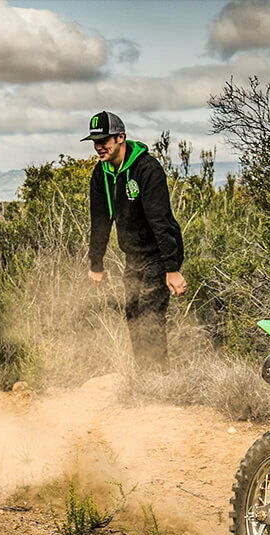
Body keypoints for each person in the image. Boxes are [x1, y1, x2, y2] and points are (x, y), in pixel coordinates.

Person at [83, 111, 186, 371]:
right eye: (95, 141)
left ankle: (159, 379)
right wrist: (96, 263)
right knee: (133, 314)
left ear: (120, 137)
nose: (99, 146)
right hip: (133, 257)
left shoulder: (147, 169)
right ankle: (145, 376)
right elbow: (100, 221)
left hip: (158, 255)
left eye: (104, 140)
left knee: (151, 317)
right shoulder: (101, 174)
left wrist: (172, 269)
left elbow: (160, 220)